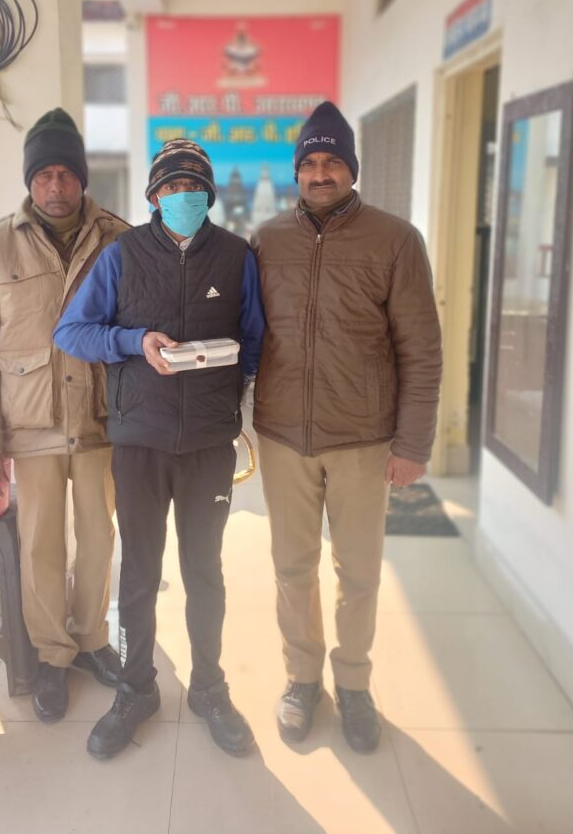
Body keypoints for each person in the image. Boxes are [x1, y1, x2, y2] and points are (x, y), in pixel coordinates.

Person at [54, 138, 265, 760]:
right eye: (171, 187)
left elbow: (255, 337)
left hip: (208, 445)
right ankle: (136, 688)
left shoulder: (236, 256)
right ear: (153, 196)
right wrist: (134, 341)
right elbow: (72, 331)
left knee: (205, 572)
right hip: (139, 442)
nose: (182, 196)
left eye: (193, 187)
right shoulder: (121, 256)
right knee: (140, 574)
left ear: (209, 195)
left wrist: (229, 389)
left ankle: (209, 688)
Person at [251, 100, 442, 752]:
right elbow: (248, 334)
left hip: (364, 439)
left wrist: (413, 443)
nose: (321, 173)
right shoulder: (267, 241)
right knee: (291, 567)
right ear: (296, 171)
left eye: (333, 162)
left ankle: (354, 684)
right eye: (310, 162)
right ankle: (302, 679)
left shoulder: (396, 240)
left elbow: (421, 349)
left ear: (351, 170)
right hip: (284, 435)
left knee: (358, 572)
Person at [0, 108, 126, 723]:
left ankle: (92, 639)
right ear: (30, 181)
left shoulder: (119, 239)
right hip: (30, 424)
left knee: (99, 536)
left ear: (82, 178)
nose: (56, 185)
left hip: (100, 418)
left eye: (66, 173)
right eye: (44, 174)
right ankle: (53, 654)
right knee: (41, 545)